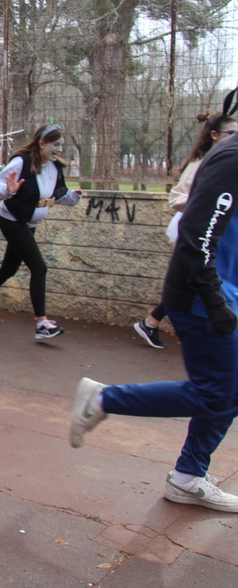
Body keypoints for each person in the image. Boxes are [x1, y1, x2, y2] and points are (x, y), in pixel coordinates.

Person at [71, 127, 238, 512]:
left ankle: (188, 477)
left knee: (229, 390)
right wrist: (213, 299)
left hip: (221, 292)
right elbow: (198, 232)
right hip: (203, 296)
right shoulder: (234, 156)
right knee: (216, 393)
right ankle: (103, 398)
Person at [0, 124, 82, 339]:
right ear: (42, 144)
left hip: (29, 223)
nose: (59, 150)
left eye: (61, 146)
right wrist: (7, 191)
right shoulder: (21, 162)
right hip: (12, 221)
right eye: (55, 145)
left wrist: (73, 196)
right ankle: (42, 324)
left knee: (9, 268)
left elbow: (59, 194)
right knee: (39, 267)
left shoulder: (55, 167)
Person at [134, 111, 238, 349]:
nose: (234, 137)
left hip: (211, 232)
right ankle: (150, 322)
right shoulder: (201, 163)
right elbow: (176, 198)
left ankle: (150, 321)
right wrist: (205, 203)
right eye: (230, 133)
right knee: (189, 280)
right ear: (214, 135)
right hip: (197, 229)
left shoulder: (228, 159)